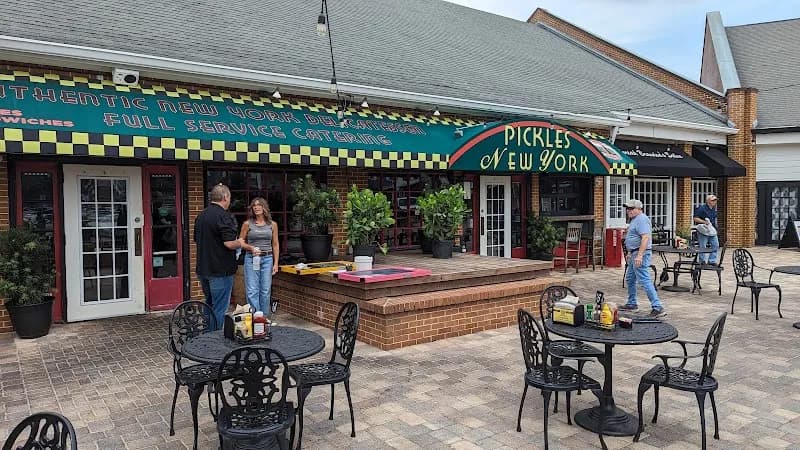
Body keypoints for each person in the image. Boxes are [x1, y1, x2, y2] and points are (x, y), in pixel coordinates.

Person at [194, 184, 242, 330]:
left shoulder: (201, 216)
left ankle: (207, 336)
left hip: (203, 269)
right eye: (229, 198)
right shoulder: (223, 216)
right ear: (225, 197)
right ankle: (215, 340)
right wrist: (240, 242)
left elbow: (196, 239)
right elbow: (228, 243)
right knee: (220, 308)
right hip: (220, 270)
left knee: (209, 304)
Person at [620, 199, 666, 318]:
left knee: (644, 280)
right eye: (627, 208)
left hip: (641, 254)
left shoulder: (641, 219)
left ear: (639, 209)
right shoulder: (635, 220)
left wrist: (639, 255)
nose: (628, 211)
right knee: (630, 278)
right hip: (634, 254)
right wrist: (630, 252)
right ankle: (632, 303)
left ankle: (658, 307)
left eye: (631, 209)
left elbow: (645, 238)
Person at [238, 197, 280, 316]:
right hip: (251, 258)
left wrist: (276, 263)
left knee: (265, 290)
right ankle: (255, 318)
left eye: (259, 205)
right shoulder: (247, 224)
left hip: (267, 258)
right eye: (254, 205)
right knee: (252, 290)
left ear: (264, 207)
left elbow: (275, 245)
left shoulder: (272, 225)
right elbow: (240, 241)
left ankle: (264, 319)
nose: (256, 207)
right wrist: (250, 247)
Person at [693, 194, 720, 264]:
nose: (715, 202)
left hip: (712, 230)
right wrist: (704, 222)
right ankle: (702, 261)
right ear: (708, 201)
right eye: (713, 200)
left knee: (715, 245)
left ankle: (712, 260)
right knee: (702, 246)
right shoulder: (702, 208)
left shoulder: (713, 209)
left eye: (715, 200)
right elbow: (695, 218)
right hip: (703, 230)